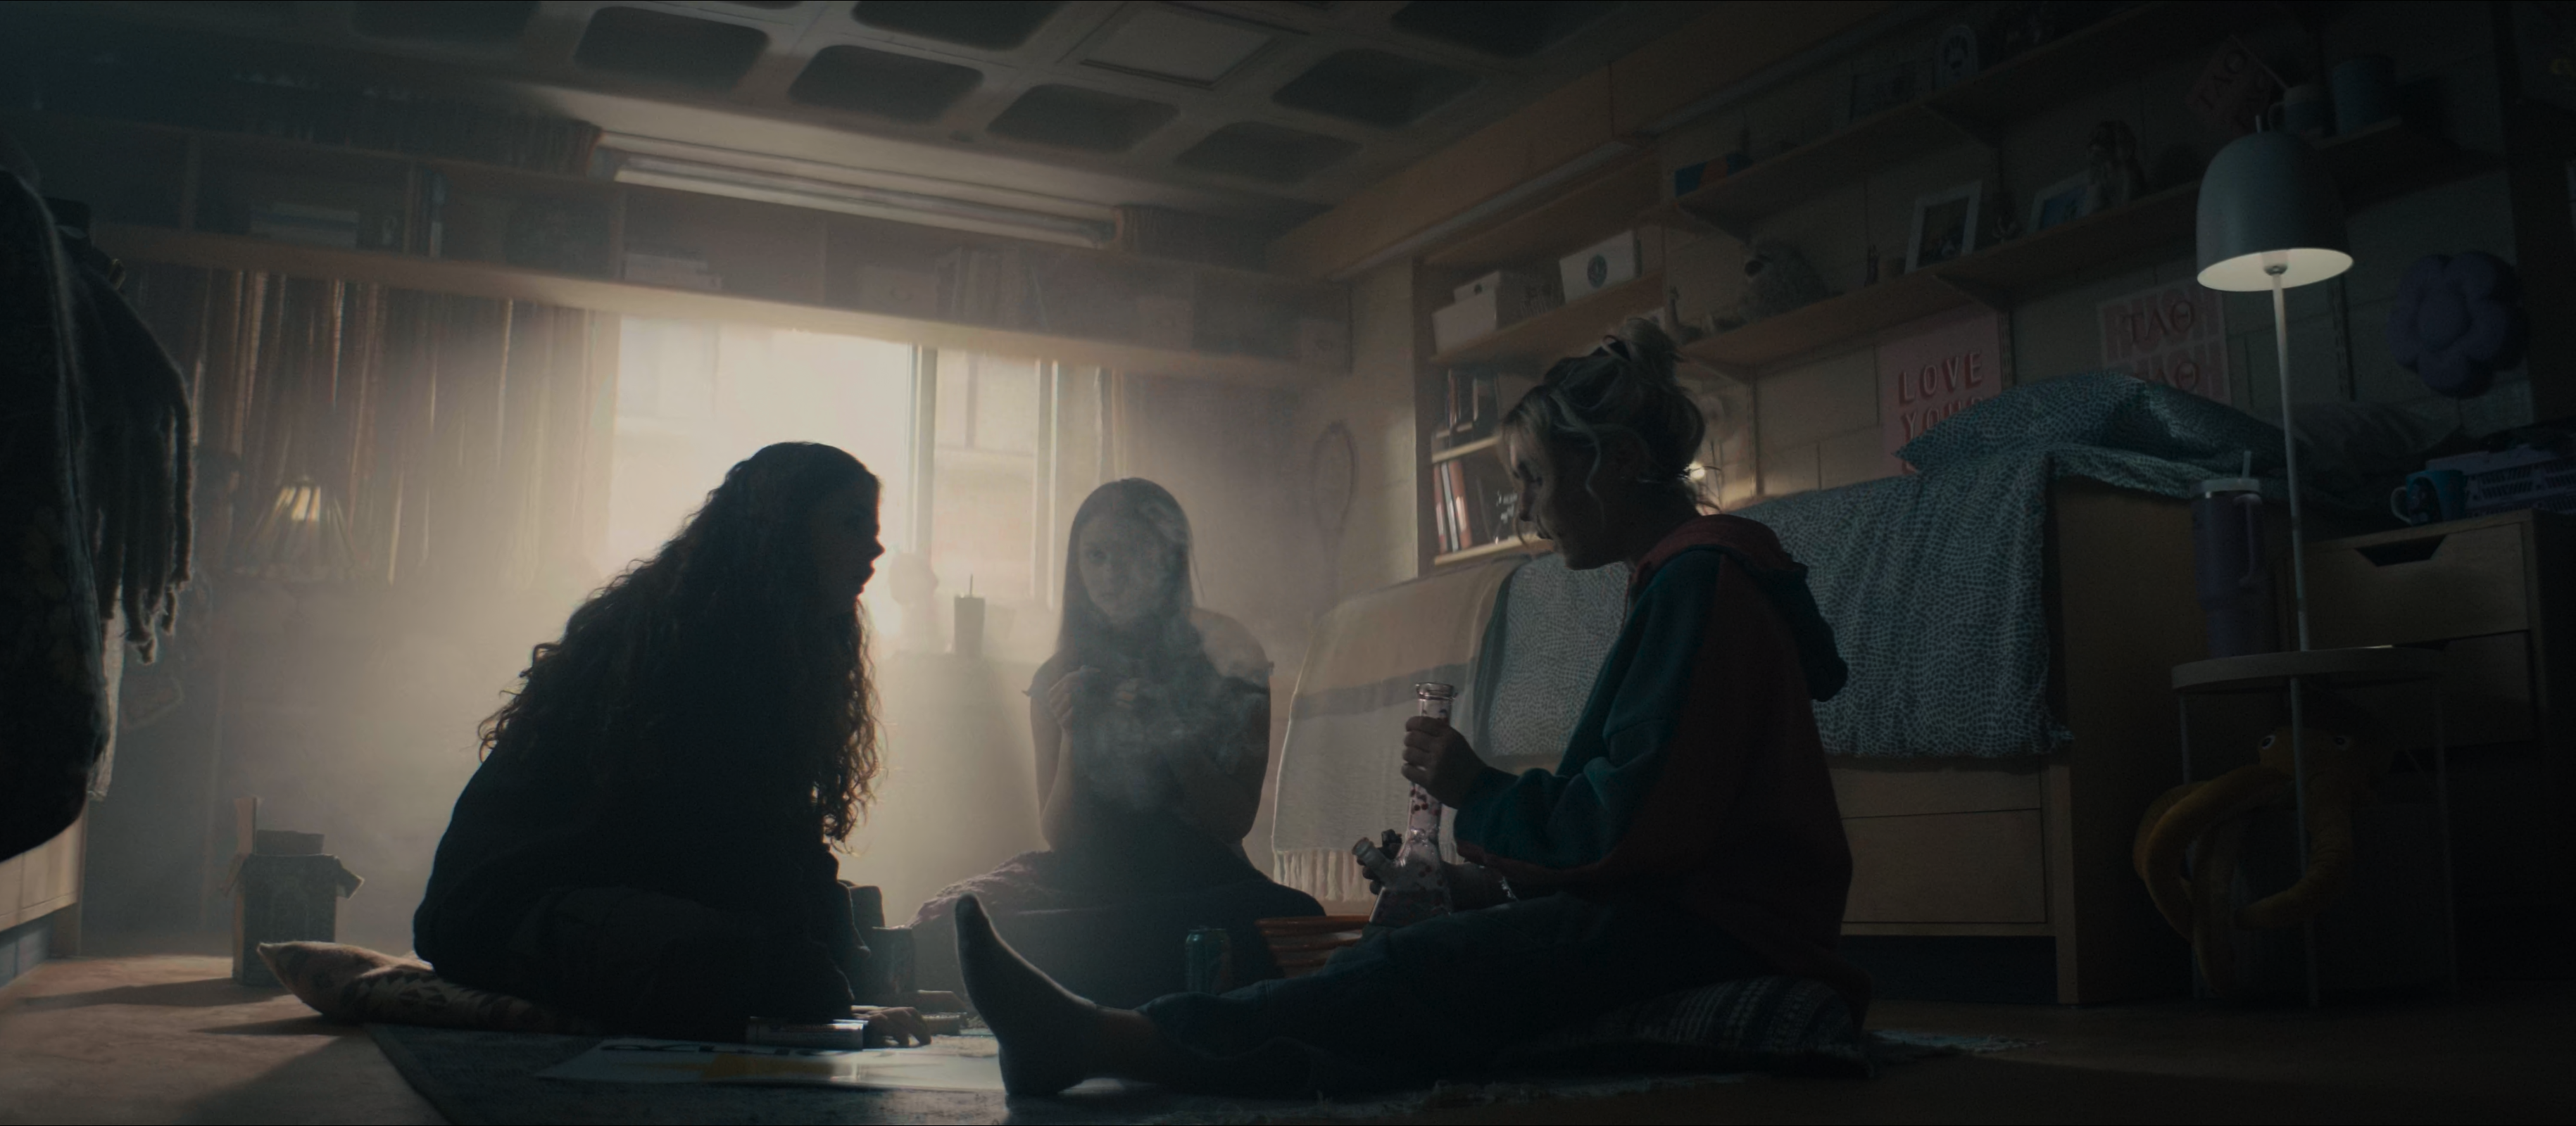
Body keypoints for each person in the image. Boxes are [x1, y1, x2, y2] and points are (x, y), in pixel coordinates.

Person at [954, 320, 1865, 1096]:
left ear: (1619, 464)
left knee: (1421, 966)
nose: (1527, 510)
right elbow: (1650, 823)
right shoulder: (1683, 583)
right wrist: (1483, 885)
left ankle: (1114, 1041)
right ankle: (1127, 1035)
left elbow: (1627, 825)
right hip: (1687, 911)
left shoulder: (1701, 585)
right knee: (1428, 950)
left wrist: (1476, 788)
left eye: (1535, 479)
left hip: (1724, 930)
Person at [413, 443, 928, 1044]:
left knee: (833, 917)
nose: (875, 548)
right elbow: (720, 845)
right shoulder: (688, 645)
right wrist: (827, 1000)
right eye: (852, 524)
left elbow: (782, 836)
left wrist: (844, 973)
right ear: (786, 529)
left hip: (613, 899)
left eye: (873, 528)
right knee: (728, 956)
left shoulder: (777, 647)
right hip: (507, 914)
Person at [907, 479, 1321, 1006]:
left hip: (1198, 885)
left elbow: (1232, 821)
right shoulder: (1057, 675)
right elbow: (1061, 836)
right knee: (940, 935)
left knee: (1293, 919)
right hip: (1089, 890)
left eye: (1130, 554)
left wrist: (1171, 733)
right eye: (1096, 556)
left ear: (1167, 560)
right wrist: (1077, 735)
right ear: (1076, 567)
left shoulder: (1229, 657)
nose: (1110, 574)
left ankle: (1098, 991)